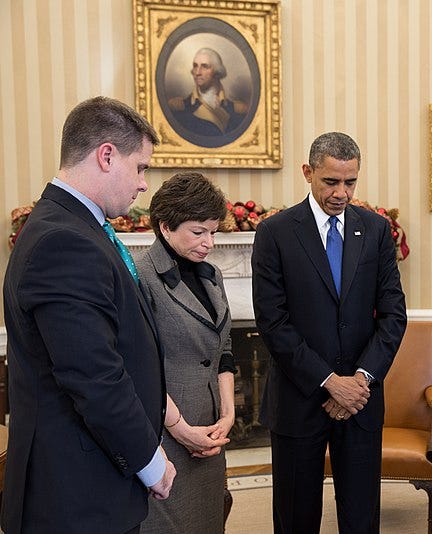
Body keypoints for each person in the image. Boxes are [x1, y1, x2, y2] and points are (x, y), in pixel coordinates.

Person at [1, 96, 175, 533]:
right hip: (75, 495)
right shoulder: (64, 241)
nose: (142, 186)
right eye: (141, 168)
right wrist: (150, 463)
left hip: (88, 484)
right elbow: (95, 377)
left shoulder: (72, 226)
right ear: (106, 155)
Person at [251, 131, 407, 533]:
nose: (342, 192)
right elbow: (273, 321)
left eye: (350, 182)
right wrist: (328, 382)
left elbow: (393, 315)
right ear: (308, 172)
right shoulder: (275, 233)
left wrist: (358, 381)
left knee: (360, 518)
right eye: (331, 181)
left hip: (360, 400)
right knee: (296, 517)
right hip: (299, 399)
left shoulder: (374, 230)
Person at [137, 172, 236, 534]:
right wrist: (181, 430)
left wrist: (228, 413)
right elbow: (138, 367)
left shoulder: (212, 276)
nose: (209, 242)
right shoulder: (141, 277)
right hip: (165, 433)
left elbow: (223, 347)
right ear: (165, 226)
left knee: (209, 522)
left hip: (210, 433)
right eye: (198, 232)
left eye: (213, 231)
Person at [168, 47, 248, 139]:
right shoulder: (178, 108)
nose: (197, 72)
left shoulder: (238, 110)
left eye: (205, 66)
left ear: (217, 72)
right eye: (195, 66)